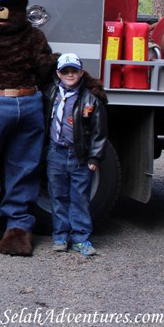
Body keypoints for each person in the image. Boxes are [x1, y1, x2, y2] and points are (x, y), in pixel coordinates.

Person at [43, 53, 107, 257]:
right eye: (65, 71)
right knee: (58, 196)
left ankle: (81, 238)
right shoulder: (50, 94)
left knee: (80, 198)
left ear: (81, 73)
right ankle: (60, 236)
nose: (69, 75)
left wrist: (95, 157)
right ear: (58, 74)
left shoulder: (90, 98)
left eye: (73, 71)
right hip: (56, 153)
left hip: (79, 156)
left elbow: (99, 131)